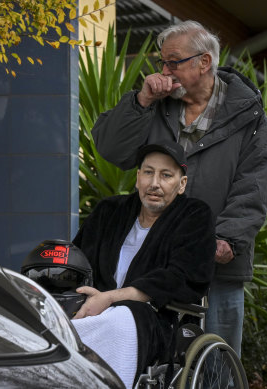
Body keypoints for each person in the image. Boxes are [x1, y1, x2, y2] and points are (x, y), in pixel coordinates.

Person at [91, 20, 267, 356]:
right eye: (162, 62)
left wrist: (226, 240)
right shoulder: (154, 105)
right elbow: (110, 149)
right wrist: (143, 100)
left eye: (173, 61)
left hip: (218, 266)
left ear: (203, 62)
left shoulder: (248, 116)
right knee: (150, 357)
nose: (165, 70)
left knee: (215, 360)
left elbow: (253, 183)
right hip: (153, 262)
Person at [71, 140, 216, 389]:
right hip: (91, 306)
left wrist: (111, 298)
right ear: (138, 178)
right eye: (148, 172)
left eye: (166, 175)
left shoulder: (194, 216)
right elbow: (77, 261)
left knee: (120, 319)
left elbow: (181, 276)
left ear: (181, 184)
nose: (154, 183)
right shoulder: (110, 211)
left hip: (154, 319)